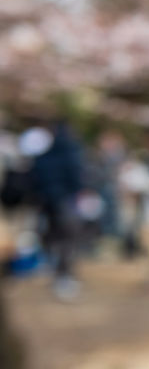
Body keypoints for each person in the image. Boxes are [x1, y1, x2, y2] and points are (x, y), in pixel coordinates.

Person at [26, 121, 85, 301]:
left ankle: (54, 271)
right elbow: (78, 179)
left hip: (46, 204)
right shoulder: (72, 153)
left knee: (51, 237)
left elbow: (34, 178)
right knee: (68, 241)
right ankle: (64, 276)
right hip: (66, 203)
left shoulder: (43, 154)